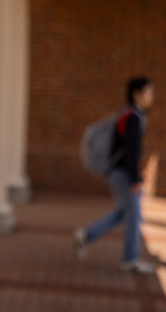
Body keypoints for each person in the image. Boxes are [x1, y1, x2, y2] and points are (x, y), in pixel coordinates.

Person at [73, 77, 155, 274]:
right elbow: (132, 150)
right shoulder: (133, 117)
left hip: (117, 172)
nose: (152, 96)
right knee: (134, 215)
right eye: (149, 92)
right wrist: (135, 180)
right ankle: (129, 259)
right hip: (122, 174)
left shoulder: (126, 114)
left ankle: (85, 236)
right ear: (137, 94)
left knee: (124, 212)